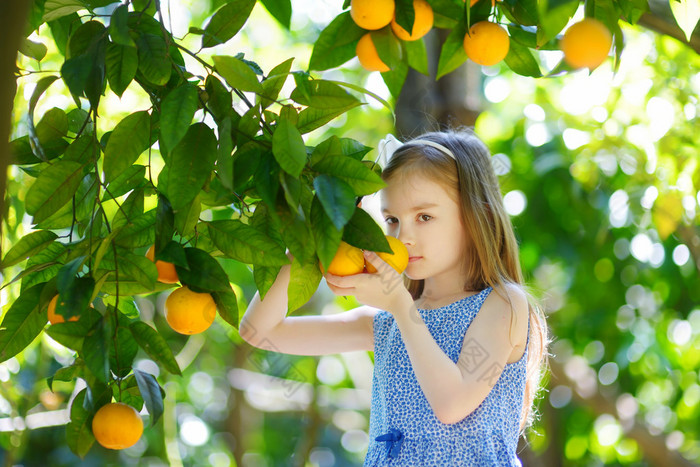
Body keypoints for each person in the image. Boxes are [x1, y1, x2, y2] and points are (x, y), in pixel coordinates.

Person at [239, 129, 550, 466]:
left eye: (425, 217)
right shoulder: (386, 323)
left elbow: (451, 403)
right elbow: (259, 331)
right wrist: (304, 241)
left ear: (478, 216)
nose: (404, 237)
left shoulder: (503, 305)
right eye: (392, 220)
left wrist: (401, 306)